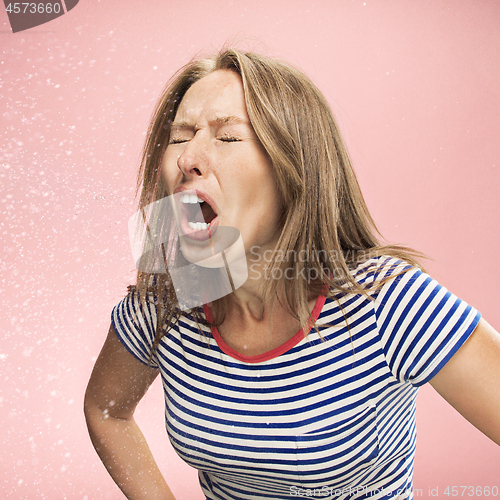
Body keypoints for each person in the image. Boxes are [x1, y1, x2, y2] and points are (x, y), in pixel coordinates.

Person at [84, 49, 500, 500]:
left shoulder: (385, 300)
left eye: (228, 137)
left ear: (294, 169)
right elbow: (105, 411)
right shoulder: (163, 308)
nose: (189, 158)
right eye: (181, 136)